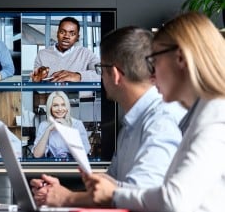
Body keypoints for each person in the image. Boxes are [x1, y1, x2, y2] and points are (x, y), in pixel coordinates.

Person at [84, 12, 225, 211]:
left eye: (155, 60)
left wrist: (114, 194)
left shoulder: (215, 120)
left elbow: (174, 200)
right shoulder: (199, 116)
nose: (151, 72)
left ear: (181, 59)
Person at [30, 26, 186, 207]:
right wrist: (60, 193)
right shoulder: (131, 124)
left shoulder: (161, 121)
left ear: (115, 74)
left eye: (101, 69)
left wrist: (66, 198)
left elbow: (141, 197)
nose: (101, 77)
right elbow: (114, 188)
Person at [30, 17, 100, 82]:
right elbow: (35, 79)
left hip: (79, 96)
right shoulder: (42, 54)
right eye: (62, 32)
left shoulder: (86, 53)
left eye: (72, 34)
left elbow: (102, 74)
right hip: (50, 95)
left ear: (77, 37)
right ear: (57, 34)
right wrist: (37, 78)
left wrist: (78, 76)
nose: (66, 36)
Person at [32, 91, 91, 158]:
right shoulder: (44, 125)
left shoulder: (77, 124)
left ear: (67, 107)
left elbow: (84, 153)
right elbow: (37, 155)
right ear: (50, 108)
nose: (60, 109)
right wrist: (48, 130)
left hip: (73, 166)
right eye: (55, 105)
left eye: (63, 105)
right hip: (52, 166)